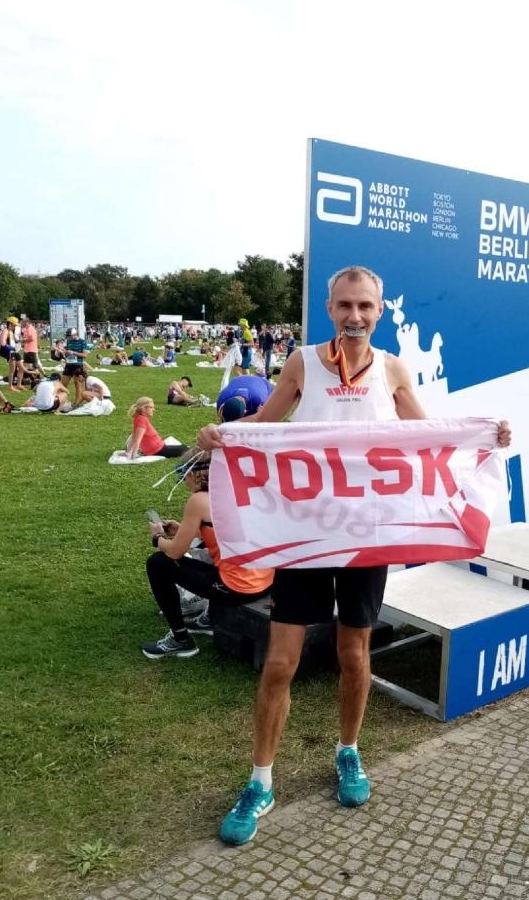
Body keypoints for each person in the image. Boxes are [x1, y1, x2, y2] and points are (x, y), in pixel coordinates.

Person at [197, 264, 512, 844]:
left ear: (381, 309)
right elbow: (264, 431)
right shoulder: (301, 363)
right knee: (279, 662)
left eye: (365, 306)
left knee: (353, 651)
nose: (354, 316)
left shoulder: (392, 368)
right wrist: (224, 437)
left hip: (366, 535)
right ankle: (260, 780)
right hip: (306, 534)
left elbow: (431, 438)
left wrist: (485, 438)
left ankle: (349, 751)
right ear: (329, 307)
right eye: (345, 305)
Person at [141, 449, 274, 659]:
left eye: (183, 477)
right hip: (265, 582)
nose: (184, 482)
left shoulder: (200, 500)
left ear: (194, 475)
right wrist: (180, 528)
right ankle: (210, 618)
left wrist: (158, 538)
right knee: (207, 552)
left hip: (238, 587)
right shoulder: (242, 490)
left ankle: (180, 639)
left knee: (158, 563)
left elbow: (175, 551)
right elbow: (223, 532)